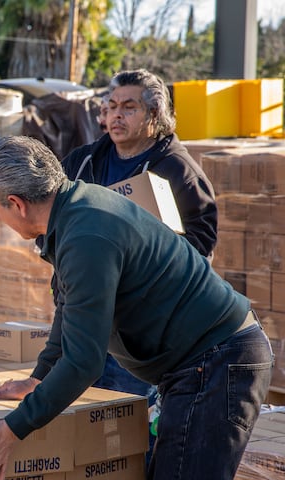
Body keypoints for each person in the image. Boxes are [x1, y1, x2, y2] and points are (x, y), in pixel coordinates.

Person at [0, 135, 272, 480]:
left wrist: (12, 430)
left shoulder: (86, 235)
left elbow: (84, 363)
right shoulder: (75, 210)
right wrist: (38, 378)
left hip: (215, 364)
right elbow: (69, 308)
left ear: (17, 204)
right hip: (201, 363)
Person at [62, 69, 218, 397]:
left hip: (141, 328)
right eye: (111, 106)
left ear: (155, 113)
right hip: (86, 314)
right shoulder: (83, 161)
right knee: (81, 418)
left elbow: (201, 247)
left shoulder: (178, 170)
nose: (116, 115)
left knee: (130, 421)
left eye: (129, 108)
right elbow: (52, 215)